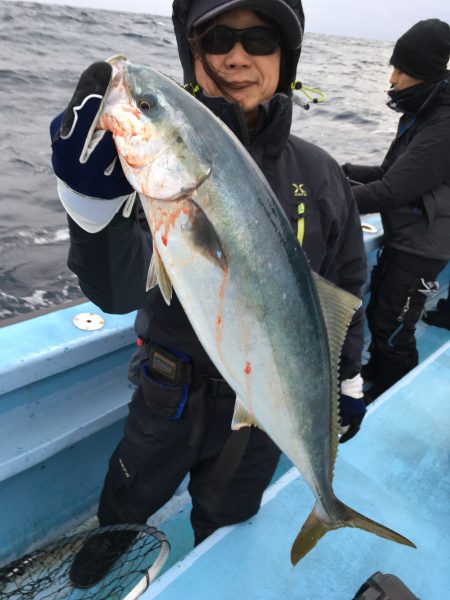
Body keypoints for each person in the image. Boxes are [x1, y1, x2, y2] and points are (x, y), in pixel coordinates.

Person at [50, 0, 367, 588]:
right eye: (218, 37)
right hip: (165, 398)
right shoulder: (143, 178)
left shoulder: (321, 175)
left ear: (286, 54)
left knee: (227, 519)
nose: (237, 56)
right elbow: (118, 293)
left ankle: (281, 531)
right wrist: (91, 211)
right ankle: (92, 577)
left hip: (262, 417)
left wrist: (348, 377)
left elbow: (346, 284)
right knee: (124, 502)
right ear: (193, 54)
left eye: (261, 39)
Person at [342, 18, 450, 402]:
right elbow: (390, 172)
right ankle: (381, 370)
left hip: (423, 245)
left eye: (401, 71)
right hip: (407, 235)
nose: (392, 79)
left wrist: (333, 199)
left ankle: (395, 390)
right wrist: (337, 173)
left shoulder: (442, 125)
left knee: (392, 326)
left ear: (422, 74)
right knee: (381, 316)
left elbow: (391, 190)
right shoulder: (422, 111)